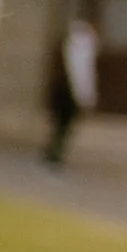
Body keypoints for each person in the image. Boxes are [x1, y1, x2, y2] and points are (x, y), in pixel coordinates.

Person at [44, 13, 99, 164]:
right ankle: (55, 151)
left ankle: (55, 150)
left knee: (61, 125)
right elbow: (81, 75)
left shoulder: (75, 46)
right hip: (69, 94)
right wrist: (86, 96)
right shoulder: (79, 49)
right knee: (62, 125)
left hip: (67, 93)